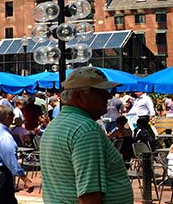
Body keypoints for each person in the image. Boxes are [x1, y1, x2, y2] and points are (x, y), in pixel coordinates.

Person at [39, 66, 132, 204]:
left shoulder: (56, 124)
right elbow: (89, 195)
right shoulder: (86, 129)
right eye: (100, 92)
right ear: (79, 95)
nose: (108, 96)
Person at [0, 104, 32, 204]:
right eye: (12, 116)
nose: (13, 119)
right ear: (7, 117)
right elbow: (10, 159)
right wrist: (24, 178)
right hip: (0, 174)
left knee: (7, 200)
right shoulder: (3, 135)